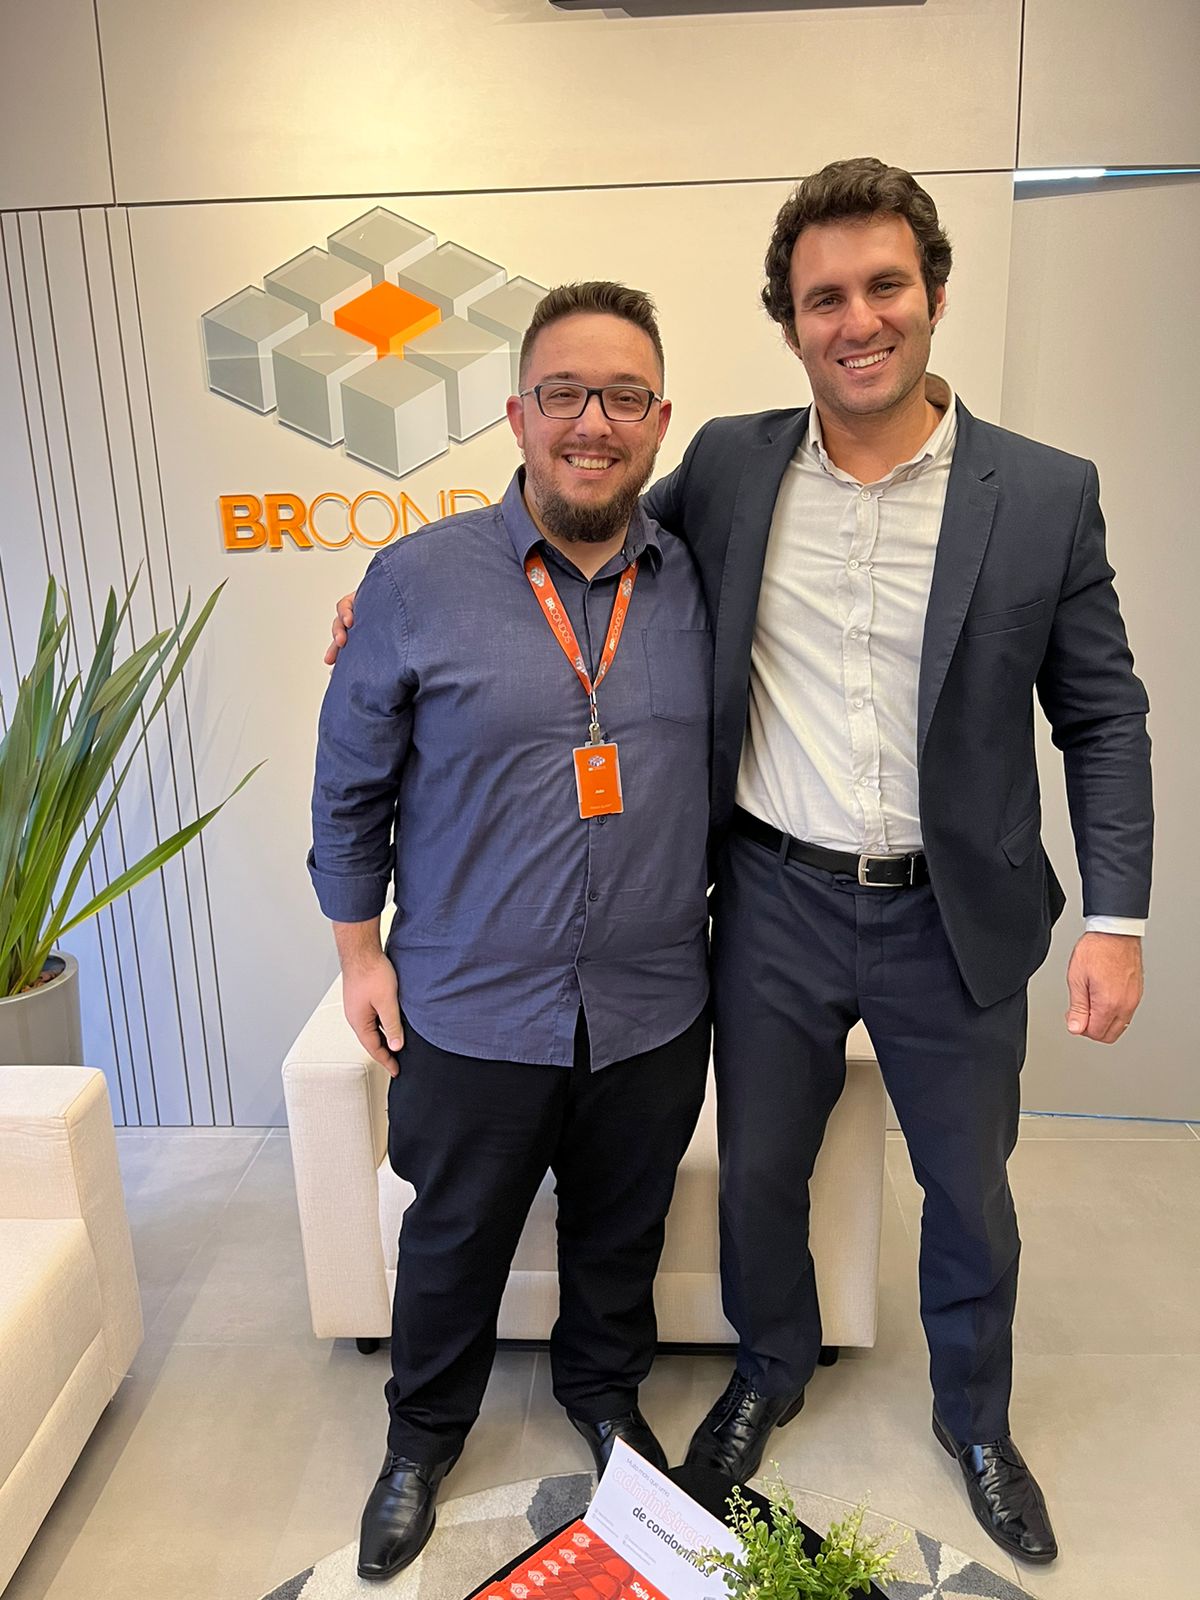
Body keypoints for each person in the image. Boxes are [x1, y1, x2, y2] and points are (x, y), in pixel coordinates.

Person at [326, 159, 1153, 1568]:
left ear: (933, 295)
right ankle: (768, 1371)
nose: (858, 319)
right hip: (772, 900)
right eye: (825, 297)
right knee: (761, 1175)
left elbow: (1105, 712)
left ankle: (976, 1422)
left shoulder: (1042, 493)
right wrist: (399, 595)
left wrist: (1117, 915)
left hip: (955, 912)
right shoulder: (732, 465)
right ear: (790, 323)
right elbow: (573, 509)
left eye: (885, 286)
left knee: (970, 1189)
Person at [309, 281, 713, 1582]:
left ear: (659, 421)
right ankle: (422, 1438)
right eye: (564, 394)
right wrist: (358, 955)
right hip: (472, 999)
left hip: (653, 999)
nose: (594, 422)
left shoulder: (700, 580)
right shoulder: (414, 581)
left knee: (621, 1229)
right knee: (454, 1236)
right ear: (516, 414)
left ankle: (605, 1398)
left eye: (624, 397)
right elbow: (349, 782)